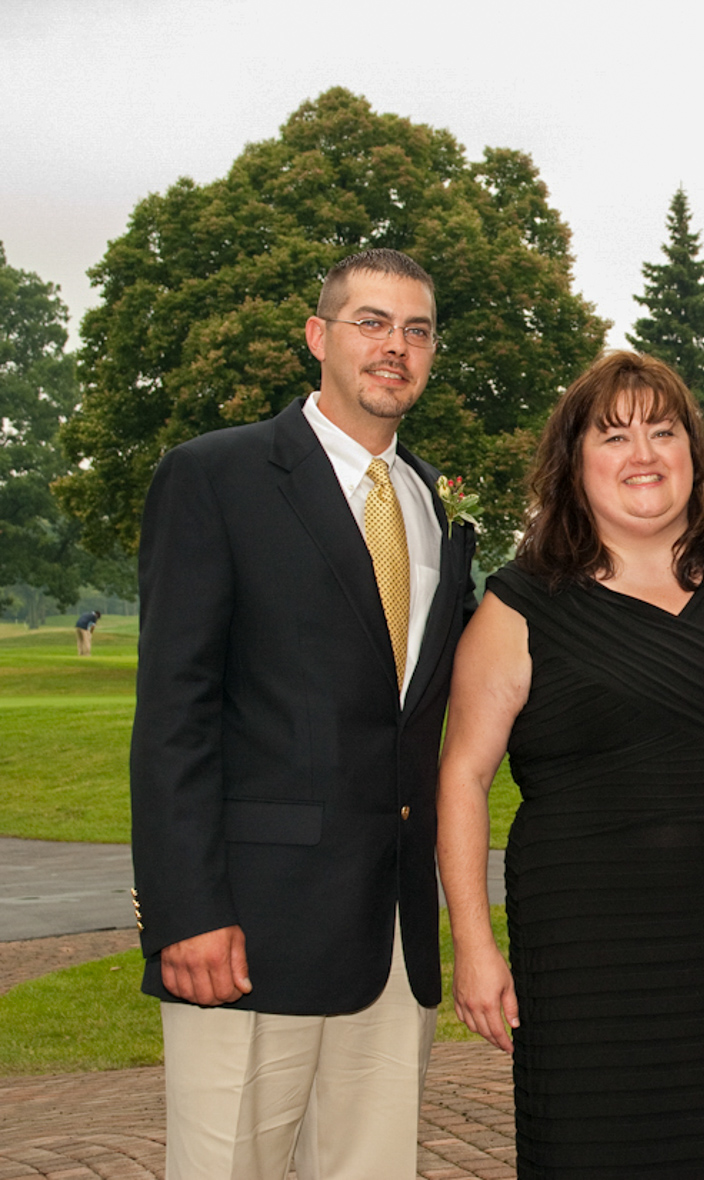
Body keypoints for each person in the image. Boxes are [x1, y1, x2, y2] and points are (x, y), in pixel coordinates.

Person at [130, 248, 476, 1179]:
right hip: (249, 932)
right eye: (371, 322)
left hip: (395, 933)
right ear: (319, 337)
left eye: (416, 330)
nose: (394, 347)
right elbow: (174, 712)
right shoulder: (217, 476)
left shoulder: (433, 504)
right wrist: (184, 911)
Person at [437, 349, 704, 1178]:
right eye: (613, 437)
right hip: (586, 958)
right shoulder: (520, 602)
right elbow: (462, 776)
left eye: (663, 432)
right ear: (573, 465)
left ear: (693, 454)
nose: (643, 454)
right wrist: (473, 942)